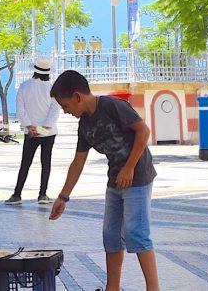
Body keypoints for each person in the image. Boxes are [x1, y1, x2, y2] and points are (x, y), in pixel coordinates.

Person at [49, 70, 160, 291]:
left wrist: (129, 168)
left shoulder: (112, 106)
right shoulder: (84, 125)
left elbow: (143, 131)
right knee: (111, 235)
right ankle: (112, 287)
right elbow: (78, 163)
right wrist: (63, 197)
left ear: (78, 96)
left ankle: (153, 288)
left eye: (66, 105)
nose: (65, 111)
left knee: (136, 233)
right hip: (116, 179)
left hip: (137, 175)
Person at [5, 58, 60, 205]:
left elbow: (20, 109)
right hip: (48, 132)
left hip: (31, 132)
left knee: (25, 163)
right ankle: (42, 195)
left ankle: (17, 194)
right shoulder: (52, 88)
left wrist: (30, 127)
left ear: (35, 70)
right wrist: (43, 128)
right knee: (45, 163)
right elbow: (55, 110)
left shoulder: (24, 86)